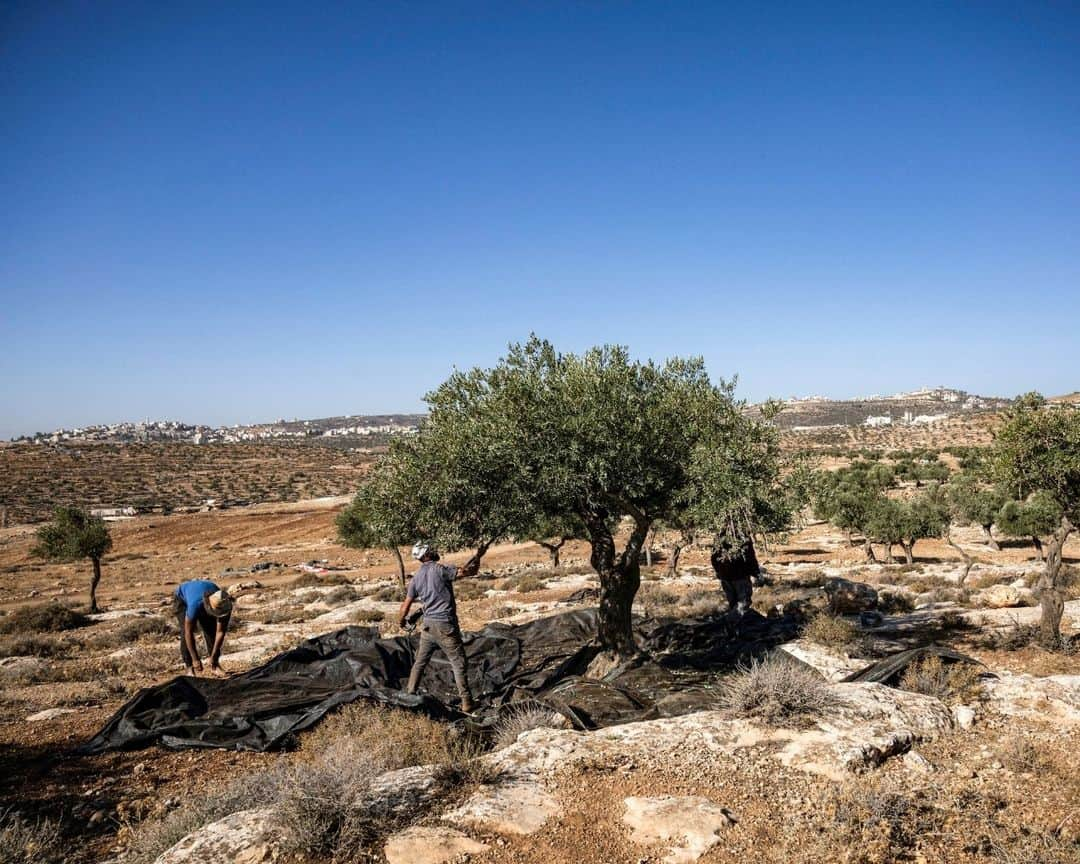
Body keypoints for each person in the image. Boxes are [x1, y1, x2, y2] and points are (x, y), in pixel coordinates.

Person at [397, 543, 478, 713]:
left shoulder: (416, 578)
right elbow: (465, 572)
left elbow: (404, 607)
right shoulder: (441, 569)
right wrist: (476, 561)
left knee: (420, 662)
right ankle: (467, 702)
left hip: (427, 627)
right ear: (426, 555)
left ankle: (409, 694)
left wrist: (401, 621)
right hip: (445, 625)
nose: (435, 551)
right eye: (431, 550)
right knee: (458, 662)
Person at [172, 579, 233, 676]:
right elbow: (189, 632)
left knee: (210, 630)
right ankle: (189, 667)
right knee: (185, 632)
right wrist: (195, 658)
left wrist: (214, 655)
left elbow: (220, 632)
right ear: (209, 607)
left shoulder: (224, 603)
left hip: (202, 594)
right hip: (182, 598)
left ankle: (215, 666)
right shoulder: (195, 605)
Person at [710, 537, 759, 617]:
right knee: (743, 603)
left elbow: (713, 557)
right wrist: (755, 571)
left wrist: (719, 571)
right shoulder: (742, 536)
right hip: (740, 576)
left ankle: (733, 624)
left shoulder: (719, 536)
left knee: (733, 603)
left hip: (725, 576)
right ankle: (736, 623)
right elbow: (750, 555)